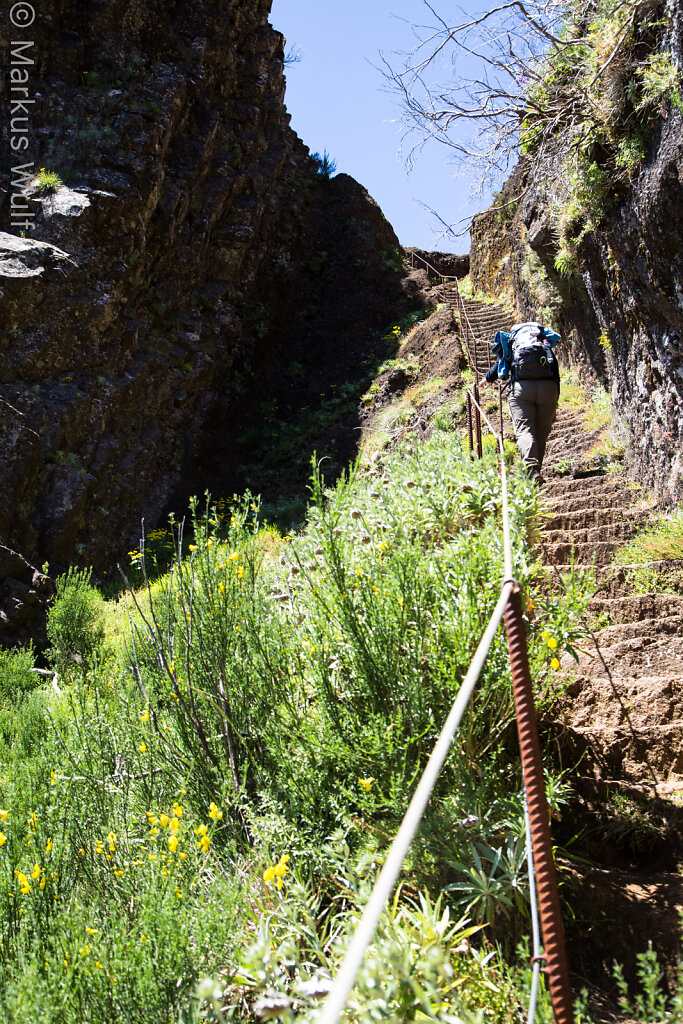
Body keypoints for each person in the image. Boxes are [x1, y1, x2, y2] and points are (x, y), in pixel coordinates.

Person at [480, 321, 561, 485]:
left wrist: (486, 379)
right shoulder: (543, 343)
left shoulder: (512, 342)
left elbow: (500, 365)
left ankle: (532, 470)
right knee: (540, 434)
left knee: (524, 430)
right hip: (548, 389)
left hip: (521, 389)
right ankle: (535, 471)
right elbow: (555, 370)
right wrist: (555, 404)